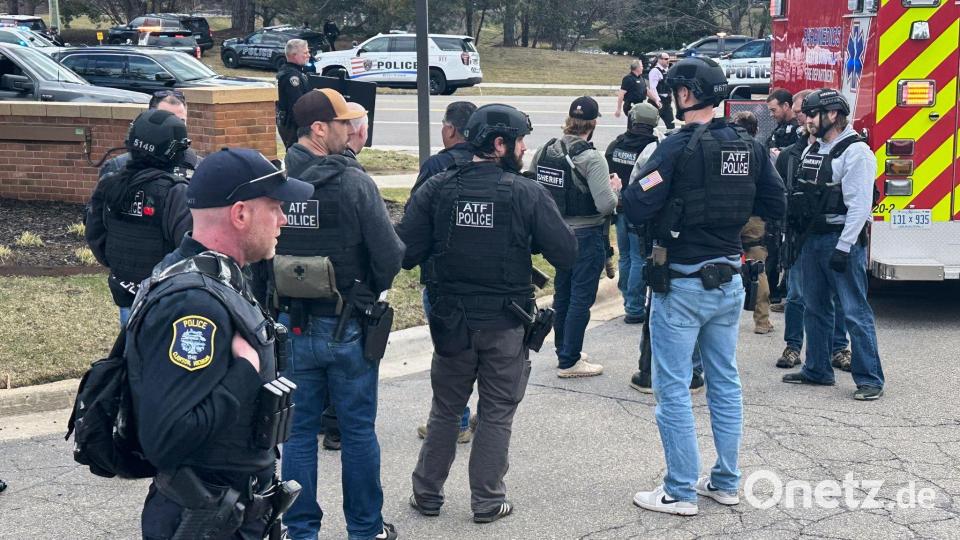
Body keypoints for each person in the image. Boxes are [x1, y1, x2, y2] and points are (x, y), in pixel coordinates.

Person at [621, 56, 785, 515]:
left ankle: (679, 490)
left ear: (687, 95)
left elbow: (635, 206)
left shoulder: (675, 148)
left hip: (682, 282)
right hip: (729, 279)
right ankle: (727, 481)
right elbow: (775, 202)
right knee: (725, 382)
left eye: (676, 92)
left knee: (673, 389)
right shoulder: (749, 146)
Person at [399, 103, 576, 524]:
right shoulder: (527, 193)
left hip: (451, 322)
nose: (524, 148)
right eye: (519, 141)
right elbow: (567, 253)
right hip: (503, 324)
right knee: (496, 412)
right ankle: (487, 501)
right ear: (500, 144)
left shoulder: (437, 188)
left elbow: (404, 252)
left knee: (446, 410)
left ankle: (426, 494)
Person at [128, 147, 314, 539]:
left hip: (233, 512)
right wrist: (244, 374)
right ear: (241, 214)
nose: (283, 219)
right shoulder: (193, 304)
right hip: (206, 520)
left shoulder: (219, 276)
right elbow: (166, 437)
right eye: (275, 207)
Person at [276, 88, 404, 540]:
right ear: (319, 129)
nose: (352, 130)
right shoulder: (354, 183)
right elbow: (390, 257)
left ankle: (299, 530)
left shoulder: (274, 180)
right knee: (357, 433)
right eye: (344, 122)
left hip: (290, 324)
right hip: (348, 325)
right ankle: (366, 530)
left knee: (296, 433)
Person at [781, 88, 884, 401]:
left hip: (841, 241)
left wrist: (844, 247)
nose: (808, 120)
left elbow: (859, 207)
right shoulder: (818, 148)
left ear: (833, 116)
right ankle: (817, 370)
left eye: (813, 114)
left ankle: (870, 380)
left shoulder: (856, 153)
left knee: (854, 311)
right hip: (812, 240)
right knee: (815, 307)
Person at [530, 96, 620, 378]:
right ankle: (570, 361)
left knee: (563, 294)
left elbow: (533, 185)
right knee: (581, 298)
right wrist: (614, 188)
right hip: (586, 234)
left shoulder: (546, 150)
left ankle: (564, 349)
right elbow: (606, 205)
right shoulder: (592, 158)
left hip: (556, 234)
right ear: (592, 125)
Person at [85, 109, 193, 327]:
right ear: (172, 150)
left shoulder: (109, 183)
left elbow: (95, 236)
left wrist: (123, 268)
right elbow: (190, 250)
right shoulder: (176, 192)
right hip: (166, 300)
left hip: (125, 292)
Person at [411, 100, 479, 444]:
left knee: (450, 352)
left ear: (450, 129)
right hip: (487, 277)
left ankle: (456, 421)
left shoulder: (437, 166)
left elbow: (414, 220)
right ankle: (485, 414)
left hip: (443, 278)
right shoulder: (494, 162)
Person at [773, 90, 852, 370]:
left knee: (836, 299)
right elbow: (779, 194)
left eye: (807, 112)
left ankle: (839, 348)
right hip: (798, 236)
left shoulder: (840, 150)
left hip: (829, 234)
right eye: (800, 112)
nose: (804, 118)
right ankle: (793, 346)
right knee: (796, 295)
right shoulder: (792, 155)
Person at [605, 102, 661, 324]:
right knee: (638, 257)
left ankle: (628, 300)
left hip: (618, 208)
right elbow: (656, 178)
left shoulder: (616, 144)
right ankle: (635, 308)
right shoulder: (654, 148)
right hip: (639, 210)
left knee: (626, 256)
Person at [731, 111, 774, 335]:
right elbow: (772, 187)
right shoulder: (759, 152)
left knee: (722, 264)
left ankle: (722, 322)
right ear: (755, 130)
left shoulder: (724, 149)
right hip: (754, 218)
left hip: (726, 218)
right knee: (757, 269)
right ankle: (762, 322)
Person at [99, 91, 200, 180]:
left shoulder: (199, 167)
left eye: (181, 122)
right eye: (167, 120)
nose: (174, 127)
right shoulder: (117, 167)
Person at [413, 101, 478, 191]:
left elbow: (416, 203)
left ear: (451, 130)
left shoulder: (436, 165)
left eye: (444, 125)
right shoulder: (491, 160)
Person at [277, 39, 312, 149]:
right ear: (294, 55)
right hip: (293, 126)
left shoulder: (294, 72)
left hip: (293, 124)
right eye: (305, 53)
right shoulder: (291, 77)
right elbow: (297, 106)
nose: (308, 55)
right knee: (298, 155)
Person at [647, 53, 676, 129]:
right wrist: (657, 100)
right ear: (660, 60)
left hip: (667, 102)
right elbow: (653, 88)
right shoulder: (655, 71)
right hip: (656, 102)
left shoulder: (668, 70)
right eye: (666, 59)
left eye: (668, 59)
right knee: (650, 125)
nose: (668, 61)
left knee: (671, 126)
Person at [767, 88, 800, 153]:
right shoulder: (781, 126)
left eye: (773, 110)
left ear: (785, 106)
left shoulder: (798, 128)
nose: (771, 114)